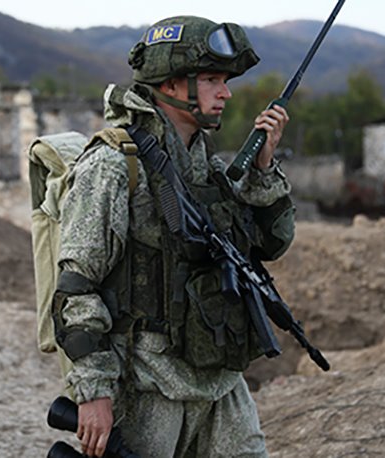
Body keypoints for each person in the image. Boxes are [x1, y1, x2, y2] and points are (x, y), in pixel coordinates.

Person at [54, 16, 294, 457]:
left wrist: (263, 169)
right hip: (148, 382)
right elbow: (76, 286)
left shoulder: (212, 169)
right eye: (211, 79)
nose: (225, 92)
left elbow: (270, 245)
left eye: (224, 80)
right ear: (169, 85)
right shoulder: (112, 165)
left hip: (219, 377)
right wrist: (93, 391)